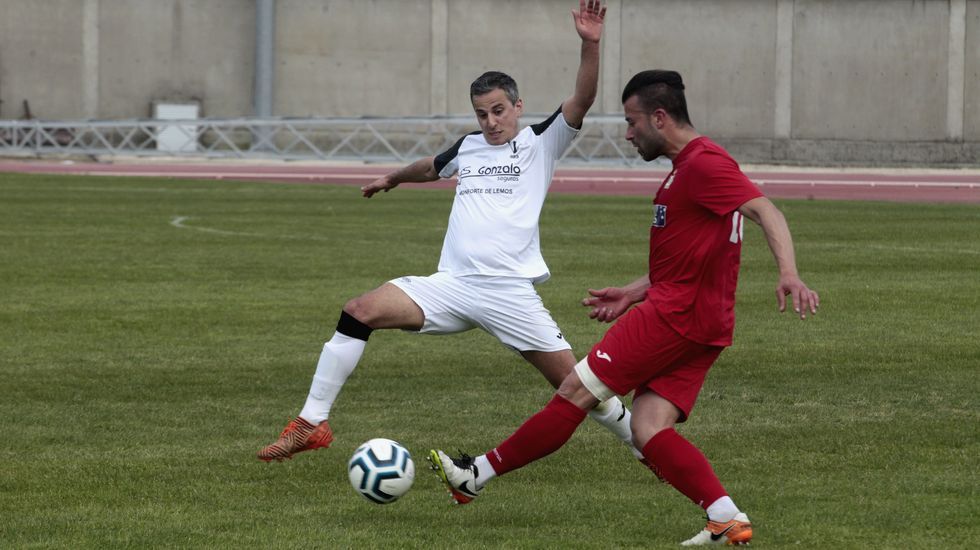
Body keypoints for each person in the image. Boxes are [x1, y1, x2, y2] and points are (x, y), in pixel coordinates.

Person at [429, 69, 820, 546]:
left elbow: (766, 211)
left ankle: (476, 476)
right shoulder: (689, 168)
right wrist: (634, 290)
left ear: (660, 117)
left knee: (576, 391)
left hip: (674, 317)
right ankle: (725, 517)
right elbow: (693, 253)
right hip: (704, 320)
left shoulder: (704, 165)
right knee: (649, 426)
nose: (628, 133)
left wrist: (789, 273)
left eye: (633, 122)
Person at [257, 0, 642, 468]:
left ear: (518, 107)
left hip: (508, 293)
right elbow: (431, 167)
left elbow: (582, 97)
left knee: (578, 386)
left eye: (499, 110)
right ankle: (310, 424)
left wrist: (590, 44)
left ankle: (646, 445)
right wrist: (393, 178)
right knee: (359, 310)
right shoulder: (469, 146)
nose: (491, 121)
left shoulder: (541, 141)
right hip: (452, 286)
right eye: (482, 114)